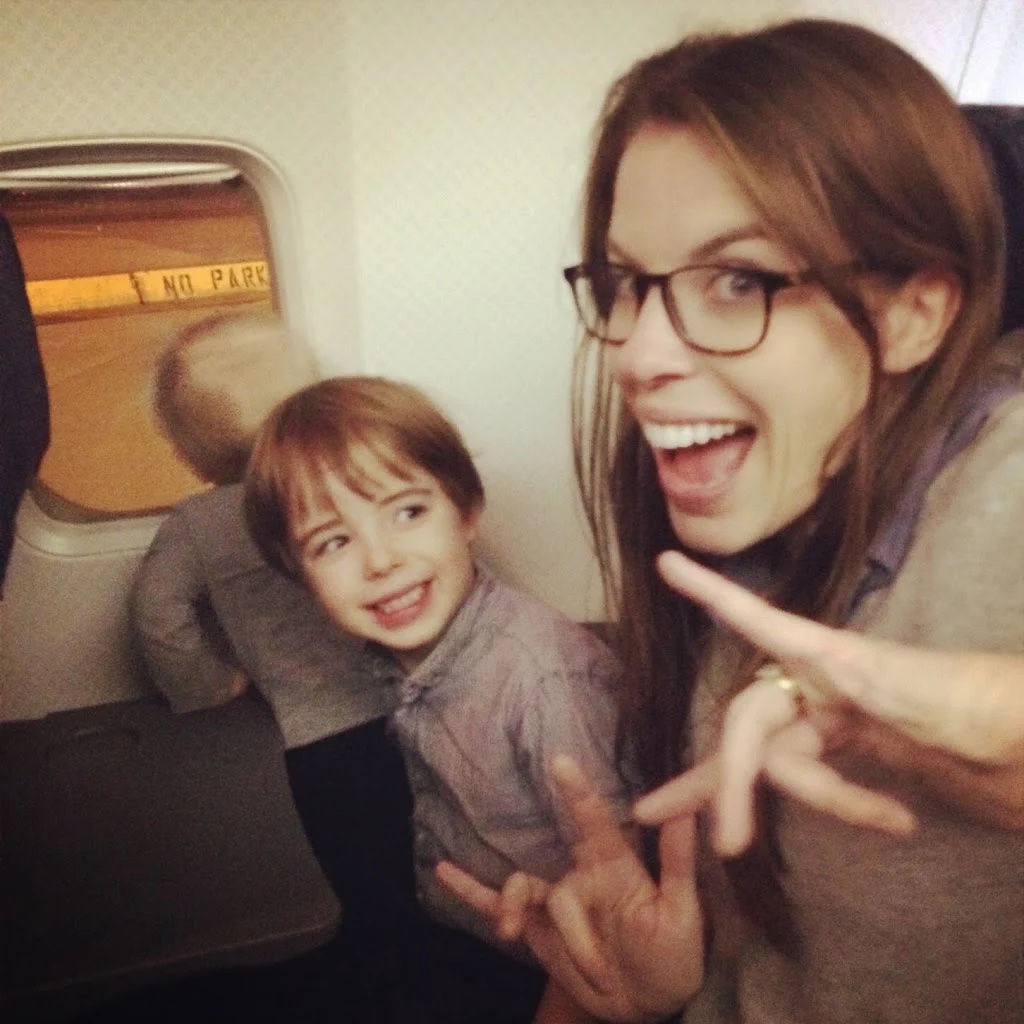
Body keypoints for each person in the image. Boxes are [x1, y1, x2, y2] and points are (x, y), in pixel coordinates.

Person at [437, 18, 1024, 1024]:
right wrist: (648, 982)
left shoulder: (1002, 485)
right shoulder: (751, 510)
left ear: (914, 314)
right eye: (626, 284)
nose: (637, 353)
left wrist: (950, 736)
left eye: (739, 280)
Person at [244, 375, 635, 1023]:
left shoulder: (544, 683)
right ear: (301, 576)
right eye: (334, 542)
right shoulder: (409, 652)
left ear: (467, 512)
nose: (380, 560)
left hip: (545, 968)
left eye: (408, 512)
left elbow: (616, 902)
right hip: (459, 917)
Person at [130, 312, 418, 1019]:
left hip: (319, 742)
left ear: (190, 448)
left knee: (363, 878)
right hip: (411, 709)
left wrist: (210, 683)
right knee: (428, 858)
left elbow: (157, 618)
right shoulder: (342, 485)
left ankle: (384, 976)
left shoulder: (196, 527)